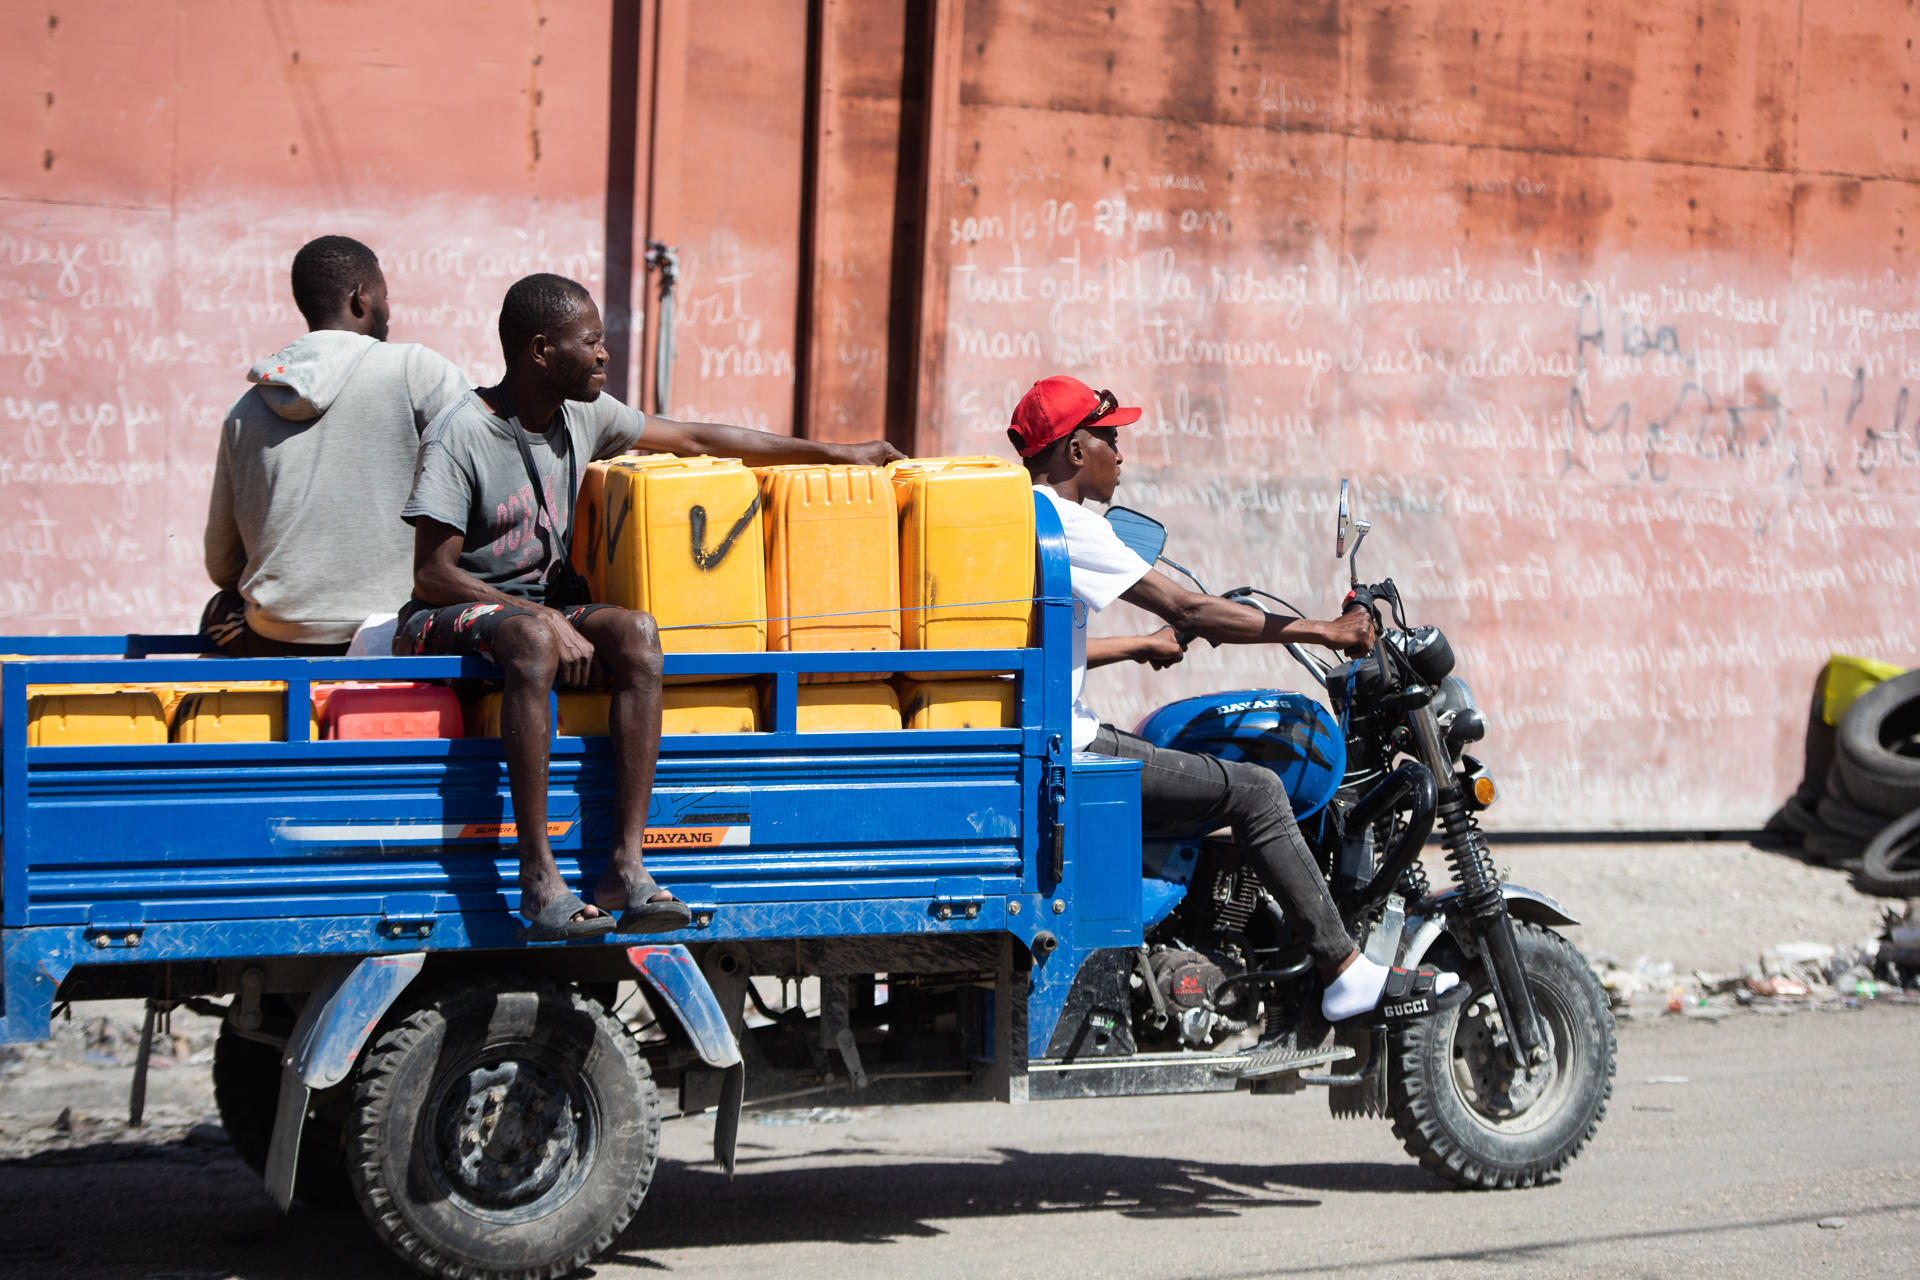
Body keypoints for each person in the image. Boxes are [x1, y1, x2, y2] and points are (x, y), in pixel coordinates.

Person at [400, 272, 903, 940]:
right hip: (449, 616)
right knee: (530, 638)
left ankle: (625, 867)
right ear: (542, 350)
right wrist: (542, 618)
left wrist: (839, 454)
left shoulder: (582, 414)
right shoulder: (460, 431)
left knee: (636, 631)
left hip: (534, 617)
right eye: (593, 342)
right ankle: (537, 875)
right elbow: (433, 573)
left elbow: (697, 439)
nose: (606, 355)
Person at [1009, 374, 1462, 1025]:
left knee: (1165, 756)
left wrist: (1143, 644)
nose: (1121, 452)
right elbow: (1189, 605)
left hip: (1054, 738)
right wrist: (1323, 630)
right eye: (1110, 437)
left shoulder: (1023, 516)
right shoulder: (1067, 523)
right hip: (1067, 751)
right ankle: (1344, 970)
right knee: (1255, 792)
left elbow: (1051, 649)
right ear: (1075, 452)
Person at [202, 235, 470, 655]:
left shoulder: (244, 409)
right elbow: (489, 458)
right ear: (361, 298)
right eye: (384, 295)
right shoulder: (413, 370)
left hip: (275, 638)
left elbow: (223, 563)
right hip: (395, 634)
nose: (388, 309)